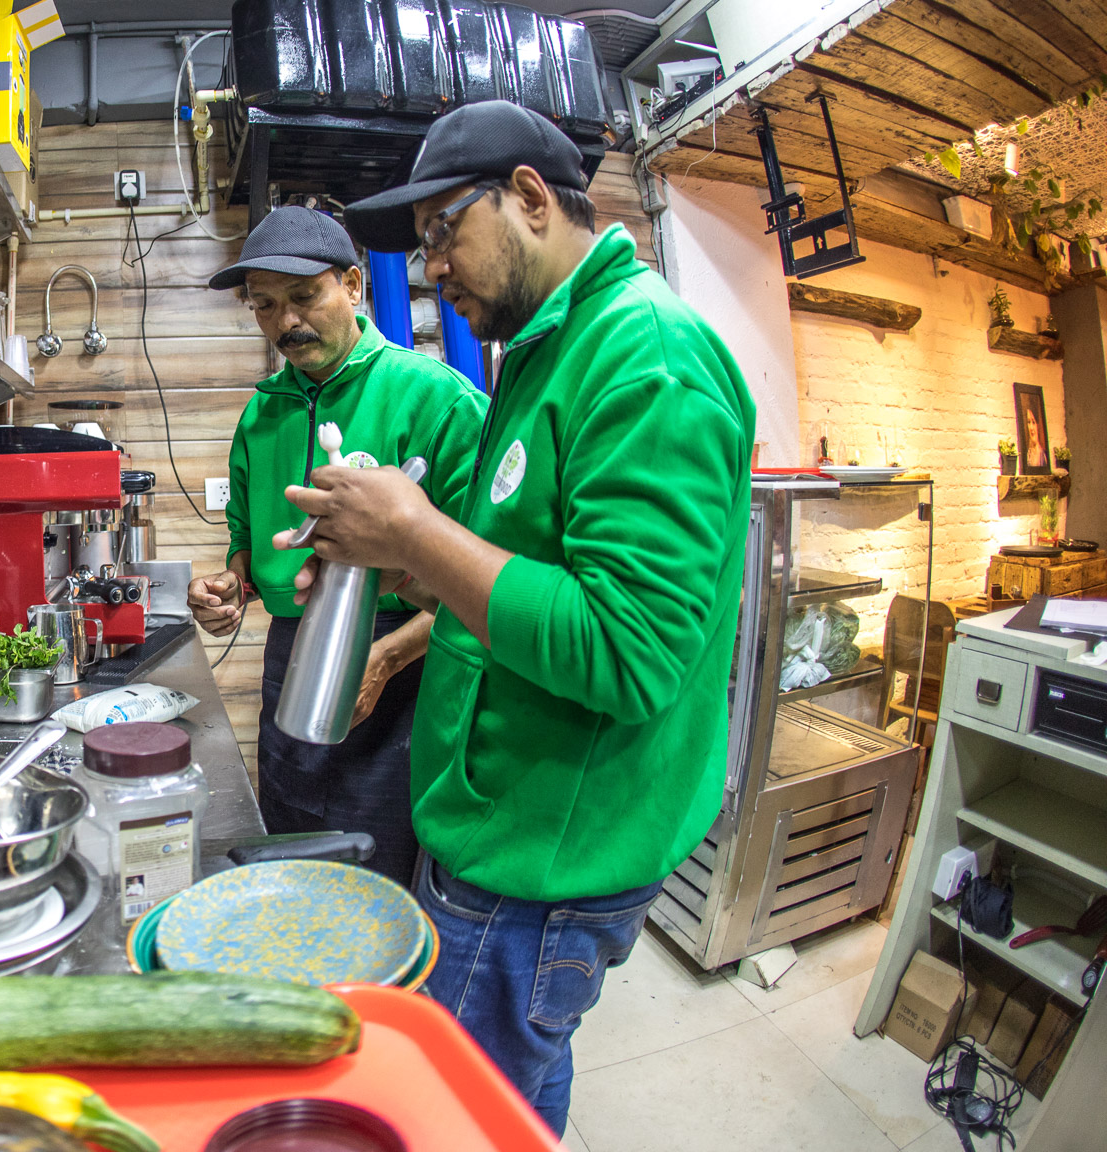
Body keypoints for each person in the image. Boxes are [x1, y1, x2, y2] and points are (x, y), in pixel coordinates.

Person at [280, 102, 755, 1132]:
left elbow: (629, 650)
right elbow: (521, 584)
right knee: (514, 1098)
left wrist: (417, 534)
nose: (432, 269)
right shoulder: (546, 350)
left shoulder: (644, 357)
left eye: (443, 230)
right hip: (495, 823)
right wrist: (395, 564)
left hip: (541, 860)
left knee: (446, 1118)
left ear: (530, 196)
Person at [186, 204, 487, 885]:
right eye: (264, 305)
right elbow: (247, 540)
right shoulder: (262, 414)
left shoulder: (435, 399)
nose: (286, 323)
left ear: (352, 285)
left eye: (303, 296)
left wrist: (385, 658)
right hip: (291, 654)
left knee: (381, 871)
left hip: (406, 659)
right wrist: (233, 584)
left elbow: (485, 575)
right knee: (292, 848)